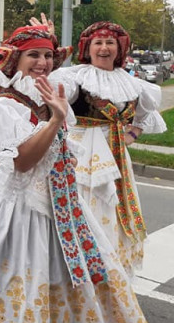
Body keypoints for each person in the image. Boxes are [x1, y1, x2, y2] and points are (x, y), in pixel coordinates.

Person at [0, 25, 154, 323]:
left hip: (61, 204)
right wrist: (54, 120)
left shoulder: (45, 98)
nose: (43, 62)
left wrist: (56, 114)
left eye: (48, 56)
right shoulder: (0, 107)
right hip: (16, 211)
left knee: (72, 282)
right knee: (18, 285)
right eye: (33, 55)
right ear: (14, 60)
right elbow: (24, 162)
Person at [50, 21, 167, 277]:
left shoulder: (131, 82)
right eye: (98, 43)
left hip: (116, 157)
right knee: (85, 206)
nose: (104, 48)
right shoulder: (75, 77)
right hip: (81, 155)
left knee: (111, 211)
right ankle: (81, 267)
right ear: (88, 48)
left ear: (120, 48)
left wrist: (133, 134)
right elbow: (50, 98)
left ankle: (109, 271)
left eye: (110, 43)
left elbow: (146, 114)